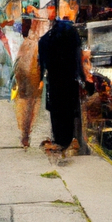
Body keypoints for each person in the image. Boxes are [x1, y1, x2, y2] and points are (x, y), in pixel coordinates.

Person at [38, 17, 84, 151]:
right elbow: (78, 60)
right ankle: (67, 141)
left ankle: (59, 140)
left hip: (54, 80)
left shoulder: (47, 39)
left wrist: (42, 76)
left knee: (57, 111)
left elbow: (42, 62)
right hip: (70, 80)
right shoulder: (72, 36)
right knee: (69, 111)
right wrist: (82, 76)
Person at [12, 16, 43, 148]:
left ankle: (25, 135)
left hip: (26, 78)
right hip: (31, 78)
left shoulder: (26, 43)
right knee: (30, 105)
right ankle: (26, 134)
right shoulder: (33, 43)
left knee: (26, 105)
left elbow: (17, 62)